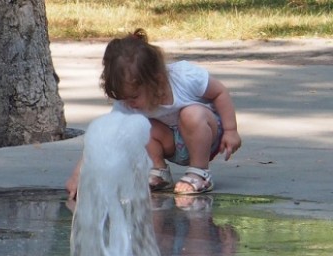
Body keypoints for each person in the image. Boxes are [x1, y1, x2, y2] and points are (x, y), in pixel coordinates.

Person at [66, 28, 242, 198]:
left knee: (191, 113)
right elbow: (105, 137)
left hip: (205, 135)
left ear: (156, 80)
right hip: (170, 144)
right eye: (122, 98)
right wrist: (78, 175)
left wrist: (231, 130)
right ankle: (158, 171)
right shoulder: (128, 103)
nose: (129, 103)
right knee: (136, 125)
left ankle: (200, 172)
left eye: (133, 96)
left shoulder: (184, 77)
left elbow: (220, 93)